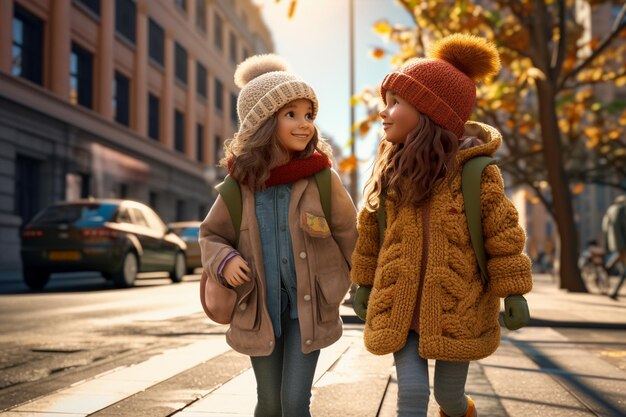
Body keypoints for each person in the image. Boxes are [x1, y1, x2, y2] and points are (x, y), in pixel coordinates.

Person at [350, 34, 533, 417]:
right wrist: (363, 282)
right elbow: (370, 234)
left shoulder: (477, 174)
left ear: (430, 112)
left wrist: (514, 291)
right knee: (412, 395)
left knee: (448, 397)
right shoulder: (392, 174)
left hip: (458, 308)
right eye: (386, 102)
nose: (383, 112)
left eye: (396, 103)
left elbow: (502, 235)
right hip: (399, 303)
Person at [198, 54, 357, 417]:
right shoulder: (238, 187)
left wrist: (364, 285)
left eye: (308, 115)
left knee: (294, 402)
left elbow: (351, 234)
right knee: (269, 404)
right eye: (291, 115)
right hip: (259, 309)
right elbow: (210, 235)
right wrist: (225, 259)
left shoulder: (322, 179)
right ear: (264, 123)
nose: (305, 125)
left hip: (311, 308)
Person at [602, 195, 626, 300]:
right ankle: (614, 291)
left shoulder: (610, 210)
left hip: (615, 244)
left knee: (624, 267)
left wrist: (607, 245)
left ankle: (609, 265)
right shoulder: (622, 209)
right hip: (624, 243)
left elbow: (605, 228)